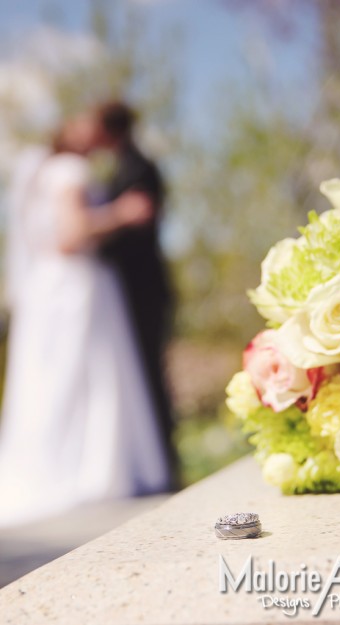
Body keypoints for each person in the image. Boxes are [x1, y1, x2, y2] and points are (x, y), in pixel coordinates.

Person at [0, 114, 172, 528]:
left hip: (48, 288)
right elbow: (72, 233)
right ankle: (91, 469)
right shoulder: (70, 170)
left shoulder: (38, 171)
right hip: (76, 287)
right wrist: (122, 213)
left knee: (48, 380)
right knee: (83, 377)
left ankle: (55, 465)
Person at [93, 102, 177, 486]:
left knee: (150, 373)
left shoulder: (139, 168)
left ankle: (164, 464)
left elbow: (139, 228)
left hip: (143, 290)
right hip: (123, 294)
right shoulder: (123, 168)